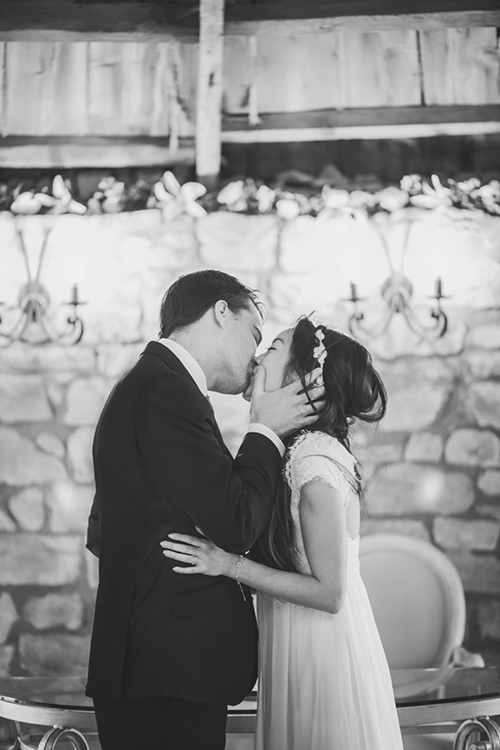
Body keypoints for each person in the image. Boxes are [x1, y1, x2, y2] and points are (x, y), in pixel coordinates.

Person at [85, 271, 324, 750]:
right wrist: (265, 430)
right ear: (220, 312)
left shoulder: (152, 382)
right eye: (255, 334)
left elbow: (101, 532)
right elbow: (235, 523)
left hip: (157, 665)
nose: (256, 354)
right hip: (166, 670)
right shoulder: (166, 389)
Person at [161, 316, 405, 750]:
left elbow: (330, 594)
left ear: (303, 378)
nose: (256, 358)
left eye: (272, 347)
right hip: (290, 636)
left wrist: (227, 564)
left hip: (321, 649)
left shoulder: (314, 461)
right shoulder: (285, 447)